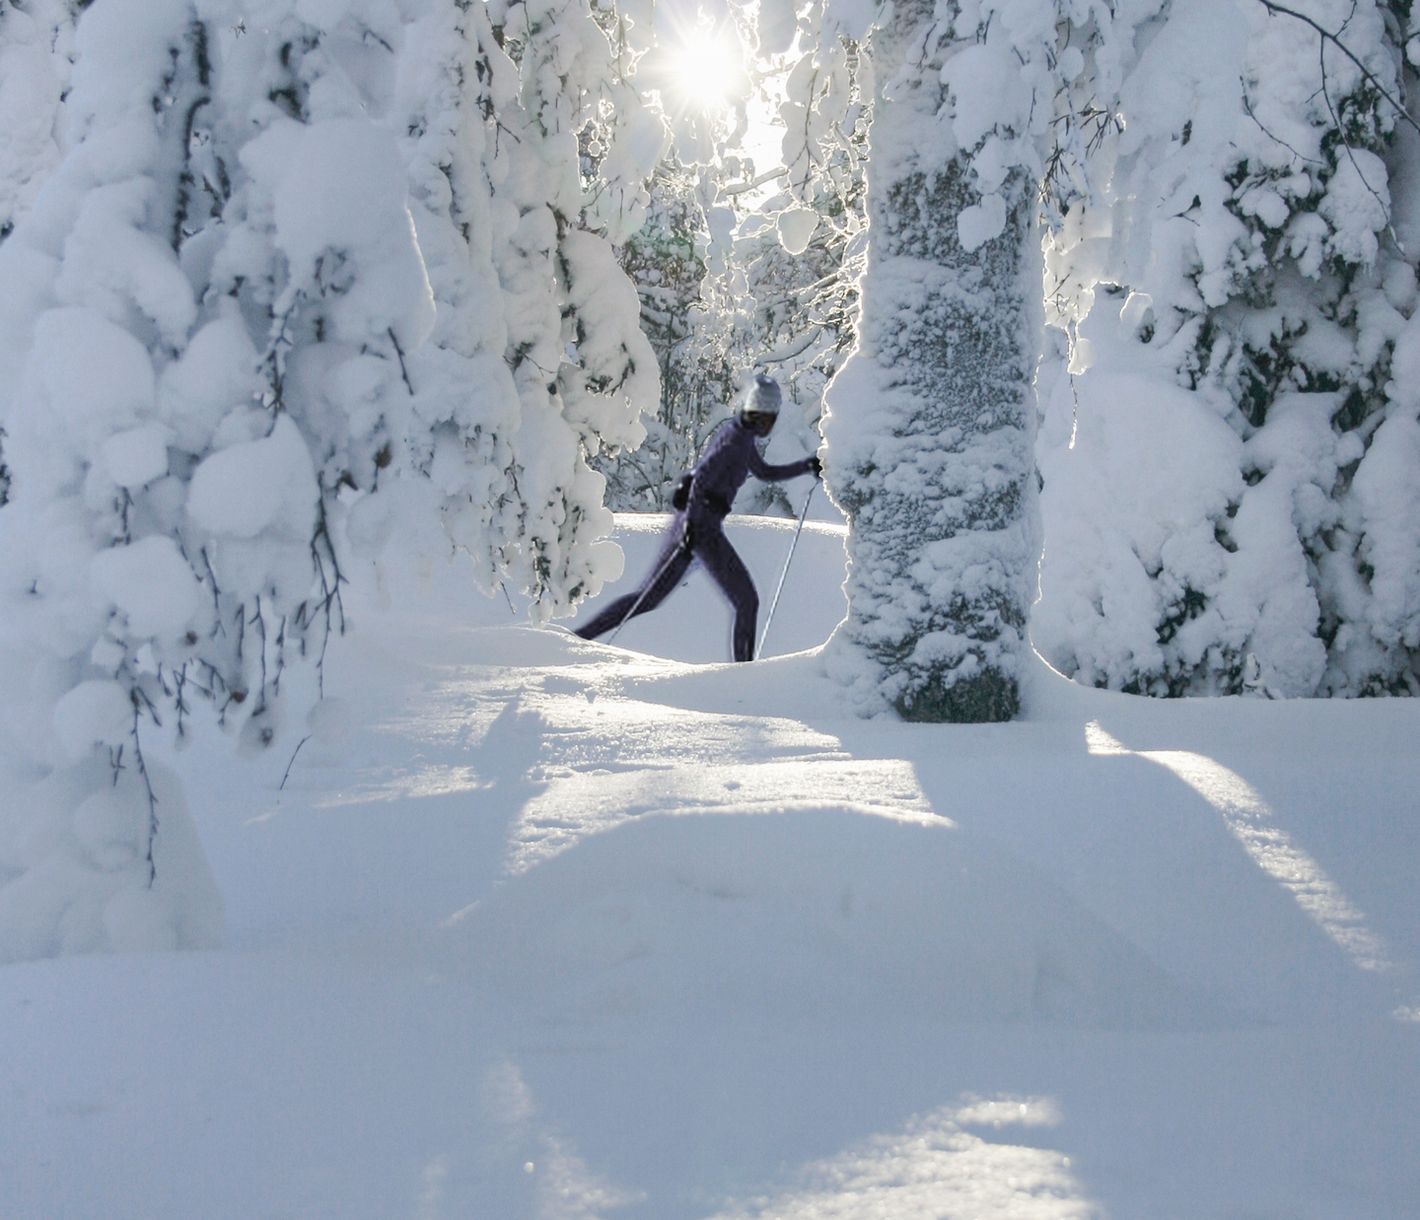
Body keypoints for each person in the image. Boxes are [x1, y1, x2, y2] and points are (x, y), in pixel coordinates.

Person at [574, 374, 822, 661]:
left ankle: (579, 638)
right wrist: (693, 522)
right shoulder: (736, 442)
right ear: (756, 412)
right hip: (700, 527)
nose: (769, 424)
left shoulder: (738, 434)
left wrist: (805, 466)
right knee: (746, 600)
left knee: (648, 599)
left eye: (771, 417)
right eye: (766, 417)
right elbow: (704, 479)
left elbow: (762, 472)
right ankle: (744, 674)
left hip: (693, 524)